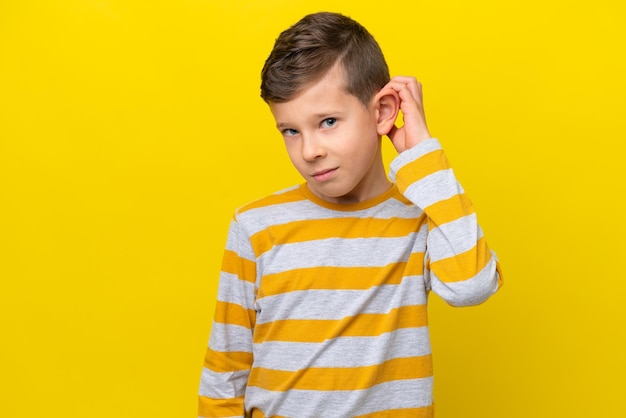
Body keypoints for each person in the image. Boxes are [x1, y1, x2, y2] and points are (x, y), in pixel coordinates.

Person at [198, 11, 503, 418]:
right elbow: (225, 371)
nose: (309, 151)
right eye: (290, 130)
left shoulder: (420, 222)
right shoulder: (257, 226)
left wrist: (422, 154)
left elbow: (472, 286)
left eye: (327, 122)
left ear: (382, 112)